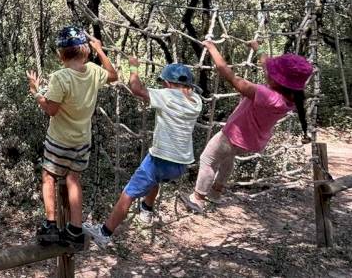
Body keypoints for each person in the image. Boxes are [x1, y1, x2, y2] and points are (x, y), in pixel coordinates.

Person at [182, 40, 313, 212]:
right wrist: (259, 48)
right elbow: (268, 66)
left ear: (278, 81)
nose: (268, 73)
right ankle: (216, 192)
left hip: (232, 136)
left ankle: (198, 198)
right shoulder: (291, 99)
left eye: (272, 74)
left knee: (208, 159)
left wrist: (212, 48)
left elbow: (229, 75)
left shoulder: (265, 95)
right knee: (227, 159)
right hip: (251, 142)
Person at [85, 58, 202, 246]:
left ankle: (104, 233)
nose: (163, 86)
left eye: (164, 83)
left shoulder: (168, 95)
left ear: (170, 84)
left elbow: (136, 88)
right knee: (154, 180)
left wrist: (132, 66)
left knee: (129, 193)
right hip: (182, 164)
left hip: (160, 159)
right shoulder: (196, 101)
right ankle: (147, 209)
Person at [26, 26, 118, 250]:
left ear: (61, 54)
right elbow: (114, 76)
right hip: (82, 141)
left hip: (59, 141)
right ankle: (75, 230)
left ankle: (51, 226)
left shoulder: (60, 77)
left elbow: (51, 110)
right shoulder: (94, 71)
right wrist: (101, 50)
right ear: (85, 51)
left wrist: (36, 92)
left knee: (48, 176)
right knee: (73, 179)